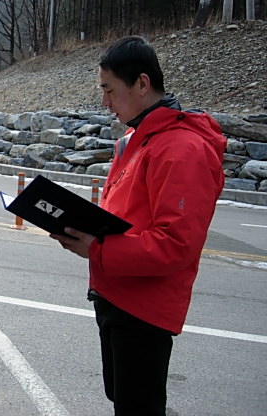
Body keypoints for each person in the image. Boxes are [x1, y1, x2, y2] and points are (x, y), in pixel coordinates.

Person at [50, 36, 225, 416]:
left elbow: (176, 244)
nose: (104, 102)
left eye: (109, 90)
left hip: (143, 308)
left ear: (142, 84)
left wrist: (97, 248)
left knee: (138, 406)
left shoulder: (181, 149)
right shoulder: (140, 138)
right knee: (123, 398)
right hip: (115, 292)